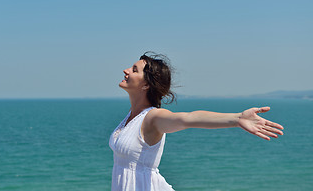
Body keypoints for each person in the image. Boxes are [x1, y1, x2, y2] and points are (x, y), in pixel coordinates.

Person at [109, 52, 284, 191]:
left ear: (146, 85)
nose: (126, 70)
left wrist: (237, 118)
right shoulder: (130, 117)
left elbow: (187, 118)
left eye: (134, 69)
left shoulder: (152, 117)